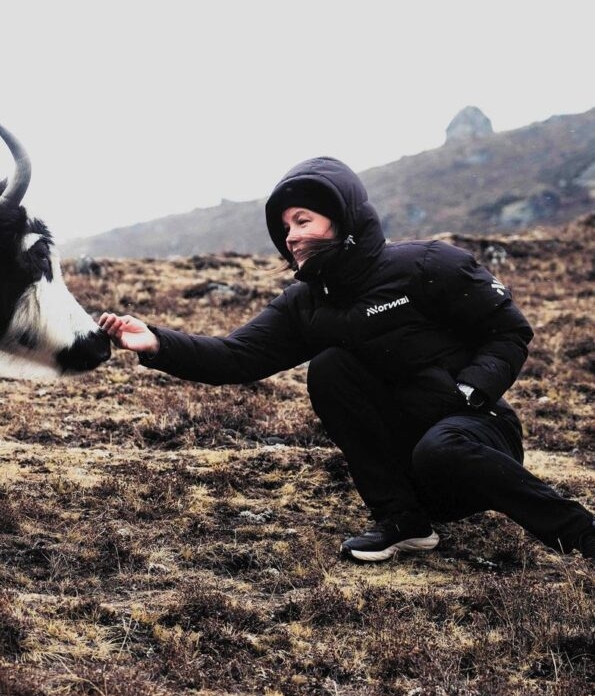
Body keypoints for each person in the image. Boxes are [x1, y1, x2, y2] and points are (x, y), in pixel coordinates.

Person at [99, 157, 595, 564]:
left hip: (476, 434)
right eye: (284, 227)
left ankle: (581, 531)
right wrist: (157, 343)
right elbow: (237, 356)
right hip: (411, 463)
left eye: (303, 221)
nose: (291, 236)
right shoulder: (305, 303)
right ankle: (403, 520)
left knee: (441, 448)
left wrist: (471, 390)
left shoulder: (426, 265)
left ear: (342, 220)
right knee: (331, 366)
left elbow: (508, 331)